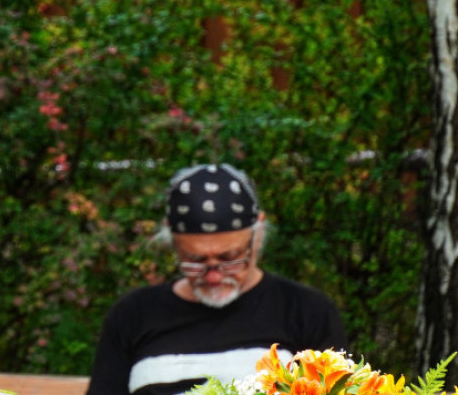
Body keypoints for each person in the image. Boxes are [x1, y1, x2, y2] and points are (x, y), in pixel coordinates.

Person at [87, 163, 347, 395]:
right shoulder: (134, 315)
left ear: (257, 237)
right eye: (194, 260)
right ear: (173, 244)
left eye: (230, 258)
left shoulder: (305, 311)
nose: (213, 276)